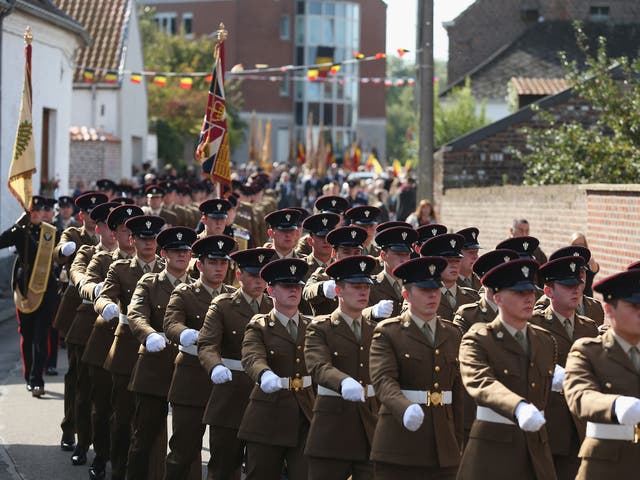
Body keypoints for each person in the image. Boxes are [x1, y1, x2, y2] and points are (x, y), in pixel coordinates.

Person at [457, 259, 559, 480]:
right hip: (493, 452)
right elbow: (481, 381)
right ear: (498, 298)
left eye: (530, 292)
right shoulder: (479, 338)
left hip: (536, 452)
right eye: (519, 293)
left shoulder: (545, 341)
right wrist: (518, 407)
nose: (529, 298)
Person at [369, 256, 463, 479]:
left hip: (443, 446)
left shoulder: (452, 333)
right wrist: (405, 407)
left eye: (436, 289)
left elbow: (457, 391)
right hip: (400, 445)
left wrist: (458, 438)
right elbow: (383, 381)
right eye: (424, 290)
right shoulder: (389, 332)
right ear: (406, 295)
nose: (432, 295)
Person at [95, 215, 165, 480]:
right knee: (122, 416)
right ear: (132, 240)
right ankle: (117, 469)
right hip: (126, 348)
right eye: (143, 238)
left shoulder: (167, 269)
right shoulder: (120, 269)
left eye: (153, 238)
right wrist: (106, 307)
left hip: (158, 351)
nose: (149, 243)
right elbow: (104, 296)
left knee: (150, 421)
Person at [163, 234, 237, 479]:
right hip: (192, 380)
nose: (219, 268)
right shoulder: (185, 293)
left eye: (223, 263)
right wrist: (184, 334)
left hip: (225, 385)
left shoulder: (234, 297)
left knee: (225, 455)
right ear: (199, 265)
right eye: (213, 263)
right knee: (183, 452)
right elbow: (171, 322)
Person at [198, 247, 276, 479]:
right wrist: (215, 366)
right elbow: (207, 344)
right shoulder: (223, 305)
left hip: (265, 395)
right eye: (253, 275)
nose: (259, 281)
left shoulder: (275, 306)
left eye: (263, 275)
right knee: (224, 464)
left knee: (260, 467)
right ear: (240, 275)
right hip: (230, 393)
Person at [126, 226, 197, 479]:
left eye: (186, 251)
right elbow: (135, 314)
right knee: (143, 436)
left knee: (186, 441)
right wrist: (149, 334)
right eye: (176, 251)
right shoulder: (149, 282)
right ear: (164, 253)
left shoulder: (197, 288)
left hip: (189, 371)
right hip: (155, 364)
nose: (182, 255)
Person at [79, 204, 142, 479]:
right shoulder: (102, 259)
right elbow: (84, 280)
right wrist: (99, 295)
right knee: (104, 404)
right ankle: (100, 454)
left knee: (133, 409)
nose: (131, 236)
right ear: (114, 234)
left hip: (139, 344)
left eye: (134, 230)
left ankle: (128, 461)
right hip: (107, 339)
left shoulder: (154, 264)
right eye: (125, 230)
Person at [304, 255, 380, 479]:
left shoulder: (376, 331)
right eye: (356, 286)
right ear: (338, 291)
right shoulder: (320, 328)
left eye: (366, 286)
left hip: (369, 427)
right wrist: (342, 381)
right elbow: (318, 365)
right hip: (332, 428)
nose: (363, 292)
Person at [239, 258, 315, 480]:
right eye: (286, 286)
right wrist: (264, 374)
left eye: (297, 286)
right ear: (271, 290)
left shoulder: (312, 328)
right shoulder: (259, 325)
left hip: (304, 414)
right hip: (268, 414)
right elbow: (252, 356)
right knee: (261, 474)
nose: (293, 290)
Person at [563, 268, 640, 479]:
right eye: (634, 306)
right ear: (609, 309)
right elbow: (580, 396)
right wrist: (615, 405)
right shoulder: (588, 352)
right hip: (606, 465)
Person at [531, 256, 599, 480]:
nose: (576, 290)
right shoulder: (535, 325)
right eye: (567, 286)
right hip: (548, 426)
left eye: (578, 285)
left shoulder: (588, 328)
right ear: (548, 291)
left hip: (581, 427)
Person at [64, 201, 120, 468]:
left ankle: (109, 448)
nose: (113, 232)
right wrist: (94, 289)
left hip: (120, 332)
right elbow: (78, 276)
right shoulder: (88, 252)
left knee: (112, 396)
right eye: (109, 226)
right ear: (98, 228)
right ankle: (83, 443)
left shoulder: (130, 257)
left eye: (118, 227)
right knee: (84, 390)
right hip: (88, 327)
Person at [52, 191, 107, 452]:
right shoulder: (76, 236)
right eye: (91, 216)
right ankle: (69, 428)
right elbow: (59, 254)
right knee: (77, 377)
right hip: (79, 310)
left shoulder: (119, 242)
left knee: (102, 381)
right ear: (83, 216)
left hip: (107, 316)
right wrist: (63, 250)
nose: (97, 223)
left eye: (102, 218)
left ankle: (97, 434)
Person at [0, 196, 60, 398]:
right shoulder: (20, 232)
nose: (36, 214)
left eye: (40, 211)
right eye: (32, 211)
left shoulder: (50, 234)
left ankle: (37, 380)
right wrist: (17, 226)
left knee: (41, 336)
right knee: (26, 335)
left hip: (46, 290)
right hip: (24, 291)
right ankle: (28, 376)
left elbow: (61, 253)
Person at [536, 246, 605, 326]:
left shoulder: (595, 307)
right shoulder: (546, 304)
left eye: (582, 272)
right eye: (573, 275)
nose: (579, 277)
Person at [420, 233, 480, 321]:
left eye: (457, 260)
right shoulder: (422, 298)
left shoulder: (473, 297)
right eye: (448, 261)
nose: (454, 265)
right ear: (434, 264)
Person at [365, 226, 418, 318]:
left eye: (407, 255)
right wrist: (371, 312)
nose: (403, 259)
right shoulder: (369, 286)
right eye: (398, 254)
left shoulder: (416, 286)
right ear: (383, 255)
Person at [569, 232, 600, 296]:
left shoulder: (587, 261)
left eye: (581, 244)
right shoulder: (567, 261)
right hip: (570, 298)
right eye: (575, 244)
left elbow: (595, 269)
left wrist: (591, 262)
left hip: (586, 300)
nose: (578, 247)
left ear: (585, 245)